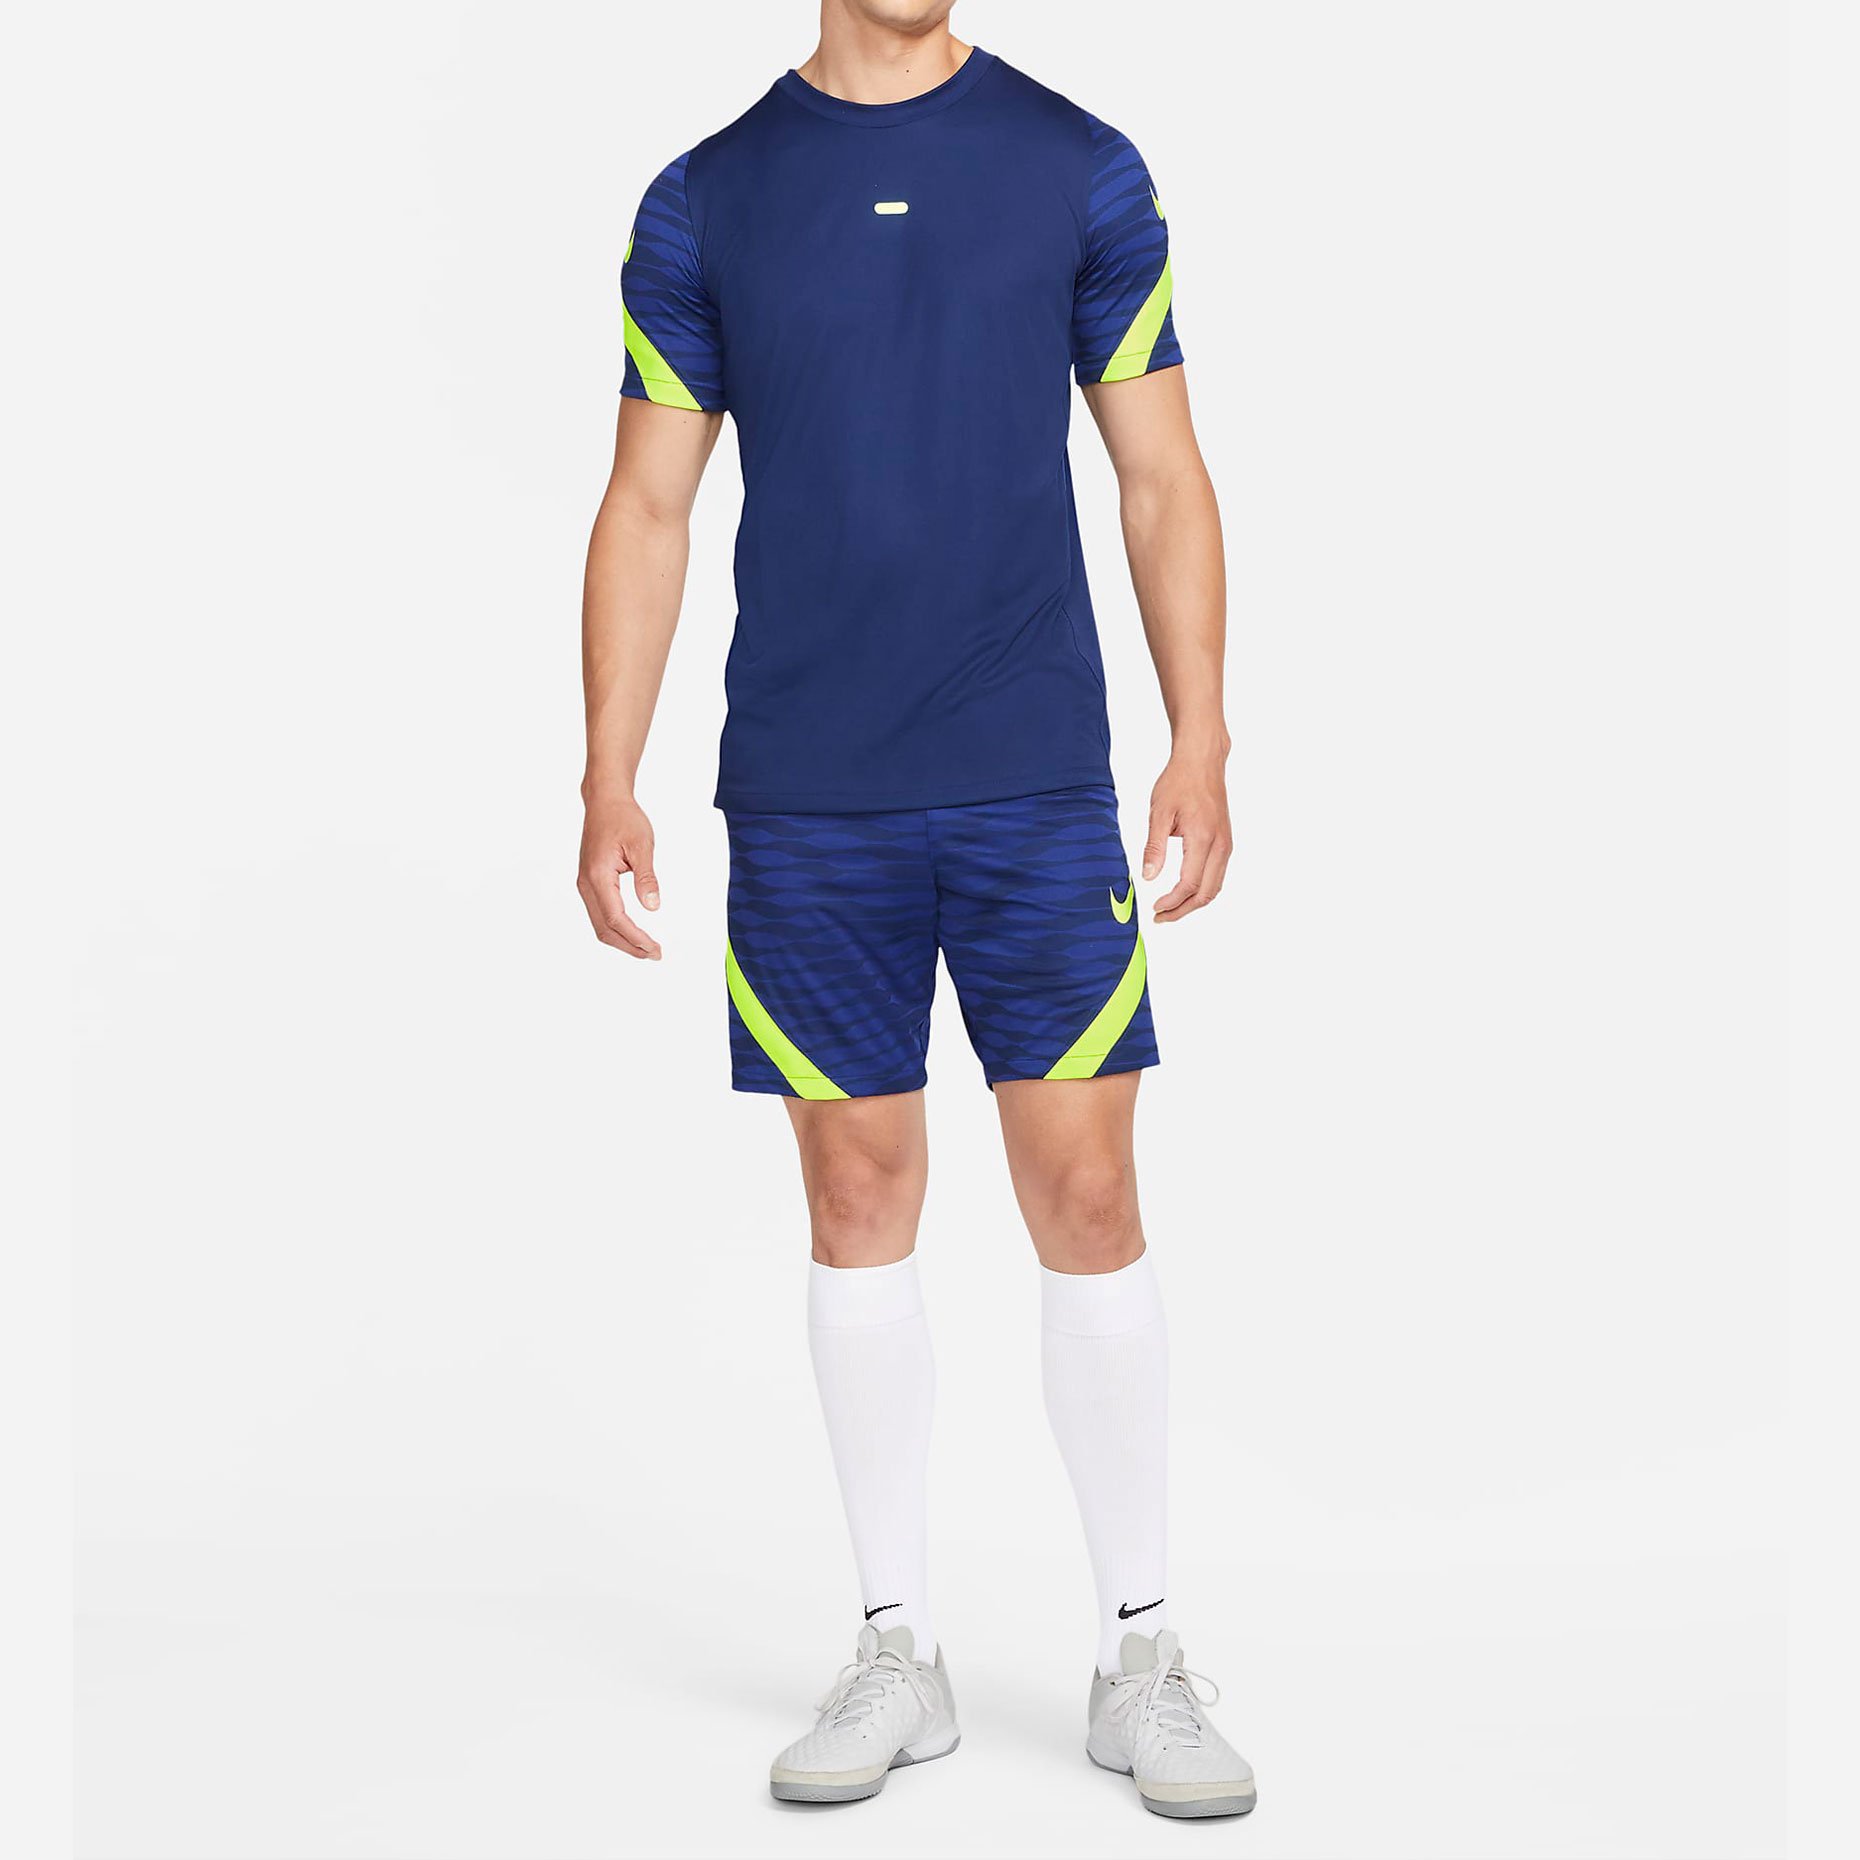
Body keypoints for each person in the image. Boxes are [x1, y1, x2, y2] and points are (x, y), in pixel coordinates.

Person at [577, 0, 1253, 1820]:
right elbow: (648, 504)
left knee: (1088, 1193)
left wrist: (1198, 735)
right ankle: (898, 1646)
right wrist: (608, 772)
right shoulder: (707, 197)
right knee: (857, 1197)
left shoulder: (1077, 166)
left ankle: (1140, 1652)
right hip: (811, 793)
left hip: (1033, 779)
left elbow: (1162, 472)